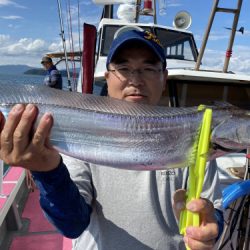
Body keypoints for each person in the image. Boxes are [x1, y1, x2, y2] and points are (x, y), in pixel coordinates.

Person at [0, 30, 223, 250]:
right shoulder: (78, 132)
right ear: (108, 78)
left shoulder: (195, 137)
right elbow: (73, 224)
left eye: (148, 68)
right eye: (124, 69)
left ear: (164, 78)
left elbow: (214, 211)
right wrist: (47, 171)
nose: (136, 80)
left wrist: (210, 228)